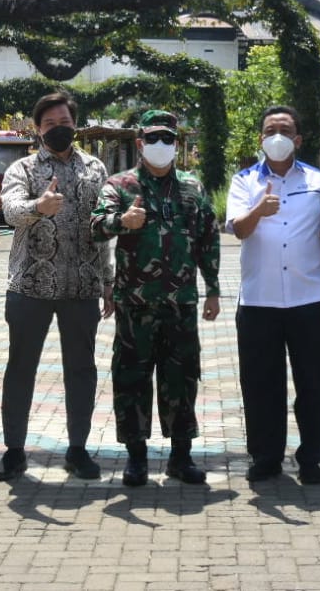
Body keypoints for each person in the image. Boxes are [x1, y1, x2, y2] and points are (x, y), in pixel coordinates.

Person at [91, 110, 221, 487]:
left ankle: (181, 456)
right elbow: (95, 227)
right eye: (153, 139)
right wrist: (121, 222)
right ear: (139, 143)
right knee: (131, 378)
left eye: (168, 139)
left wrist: (212, 288)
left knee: (181, 378)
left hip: (181, 303)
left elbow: (208, 240)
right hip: (135, 303)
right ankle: (136, 458)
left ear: (177, 144)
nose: (161, 146)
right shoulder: (120, 185)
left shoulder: (192, 187)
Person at [0, 91, 112, 482]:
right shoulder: (23, 170)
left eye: (64, 123)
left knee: (81, 371)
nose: (58, 129)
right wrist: (37, 208)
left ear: (74, 125)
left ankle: (77, 449)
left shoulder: (95, 169)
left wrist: (108, 283)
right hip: (30, 287)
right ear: (37, 129)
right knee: (20, 369)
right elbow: (10, 212)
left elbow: (103, 230)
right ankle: (14, 451)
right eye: (49, 125)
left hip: (82, 288)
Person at [226, 105, 320, 485]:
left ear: (297, 139)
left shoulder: (317, 180)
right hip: (259, 300)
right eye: (269, 129)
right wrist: (258, 210)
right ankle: (265, 457)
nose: (276, 135)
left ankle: (311, 457)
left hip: (308, 297)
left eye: (284, 129)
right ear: (260, 138)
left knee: (313, 382)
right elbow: (239, 231)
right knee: (261, 383)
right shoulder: (244, 181)